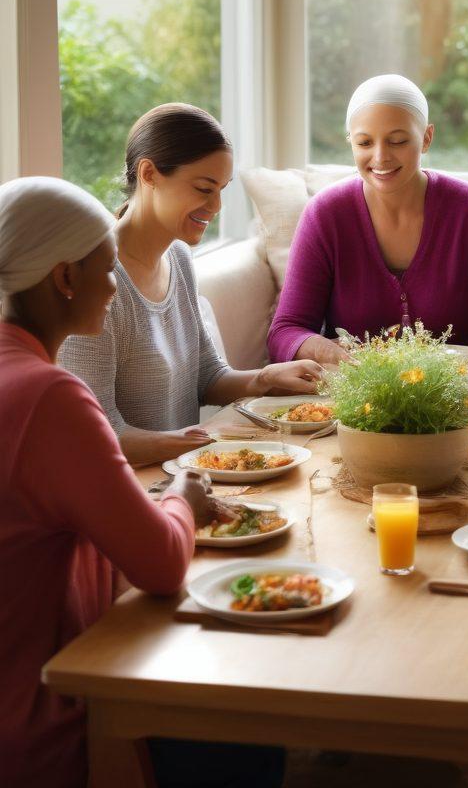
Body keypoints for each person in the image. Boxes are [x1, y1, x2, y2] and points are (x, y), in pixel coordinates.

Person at [0, 176, 283, 788]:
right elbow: (158, 564)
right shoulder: (49, 396)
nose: (114, 288)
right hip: (49, 706)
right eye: (106, 271)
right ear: (64, 278)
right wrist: (182, 497)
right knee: (252, 738)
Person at [60, 104, 322, 466]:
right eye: (203, 188)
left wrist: (265, 378)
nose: (215, 206)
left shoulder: (179, 259)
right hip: (131, 488)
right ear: (149, 173)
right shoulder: (98, 284)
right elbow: (101, 436)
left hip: (183, 478)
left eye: (221, 190)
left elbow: (207, 376)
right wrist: (206, 443)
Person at [268, 74, 468, 373]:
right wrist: (323, 350)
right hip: (359, 400)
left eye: (398, 141)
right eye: (364, 142)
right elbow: (285, 332)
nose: (380, 157)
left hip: (457, 397)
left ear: (427, 138)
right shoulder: (325, 215)